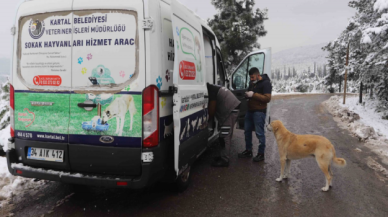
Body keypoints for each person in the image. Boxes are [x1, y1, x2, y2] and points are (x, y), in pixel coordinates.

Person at [238, 67, 272, 162]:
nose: (251, 79)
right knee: (247, 131)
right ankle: (248, 151)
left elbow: (267, 98)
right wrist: (247, 95)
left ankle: (261, 154)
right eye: (250, 78)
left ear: (258, 75)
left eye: (253, 77)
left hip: (259, 112)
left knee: (259, 133)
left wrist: (253, 95)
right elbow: (251, 93)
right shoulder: (252, 83)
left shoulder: (266, 83)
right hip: (250, 110)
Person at [207, 83, 241, 167]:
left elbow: (212, 109)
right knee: (222, 135)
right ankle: (223, 155)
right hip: (231, 108)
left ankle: (225, 160)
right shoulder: (214, 87)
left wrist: (206, 121)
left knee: (225, 136)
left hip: (231, 110)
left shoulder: (211, 91)